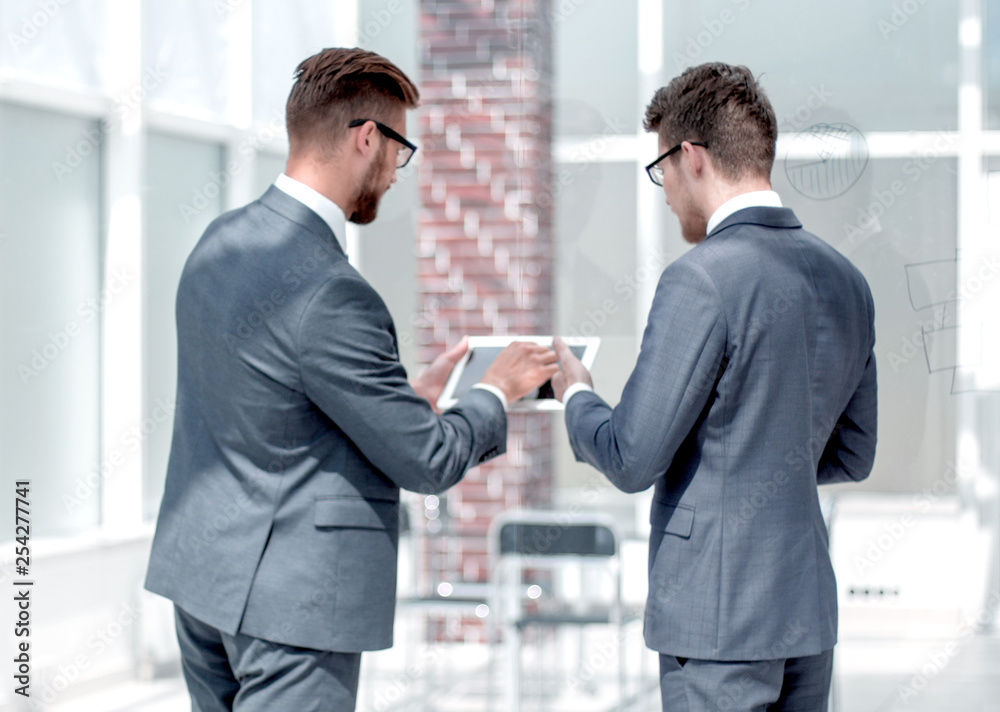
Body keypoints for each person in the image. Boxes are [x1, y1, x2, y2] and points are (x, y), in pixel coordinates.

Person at [144, 47, 558, 711]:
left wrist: (401, 399)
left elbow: (262, 395)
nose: (398, 171)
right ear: (369, 138)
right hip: (291, 608)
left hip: (202, 581)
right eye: (401, 148)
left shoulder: (217, 242)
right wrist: (495, 391)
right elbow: (428, 460)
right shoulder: (333, 291)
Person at [551, 62, 877, 711]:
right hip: (807, 616)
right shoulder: (848, 282)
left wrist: (575, 394)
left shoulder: (701, 280)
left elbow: (631, 455)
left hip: (718, 623)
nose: (665, 191)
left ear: (691, 157)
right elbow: (853, 455)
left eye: (660, 171)